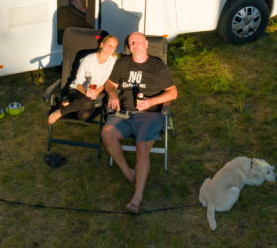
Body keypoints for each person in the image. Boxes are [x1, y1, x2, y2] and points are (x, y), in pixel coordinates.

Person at [102, 32, 178, 213]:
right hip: (125, 113)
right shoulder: (122, 63)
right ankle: (129, 172)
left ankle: (137, 197)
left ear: (146, 43)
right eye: (131, 42)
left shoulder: (157, 66)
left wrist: (151, 102)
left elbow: (173, 92)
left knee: (142, 147)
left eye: (138, 41)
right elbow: (110, 84)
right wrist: (112, 94)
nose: (135, 44)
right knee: (107, 133)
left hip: (150, 114)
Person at [47, 35, 119, 125]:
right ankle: (59, 112)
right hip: (77, 90)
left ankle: (67, 105)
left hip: (93, 94)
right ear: (102, 45)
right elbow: (77, 83)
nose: (110, 48)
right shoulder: (88, 60)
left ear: (114, 50)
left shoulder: (113, 62)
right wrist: (85, 92)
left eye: (113, 46)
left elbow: (107, 82)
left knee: (84, 116)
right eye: (108, 44)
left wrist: (96, 92)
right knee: (88, 103)